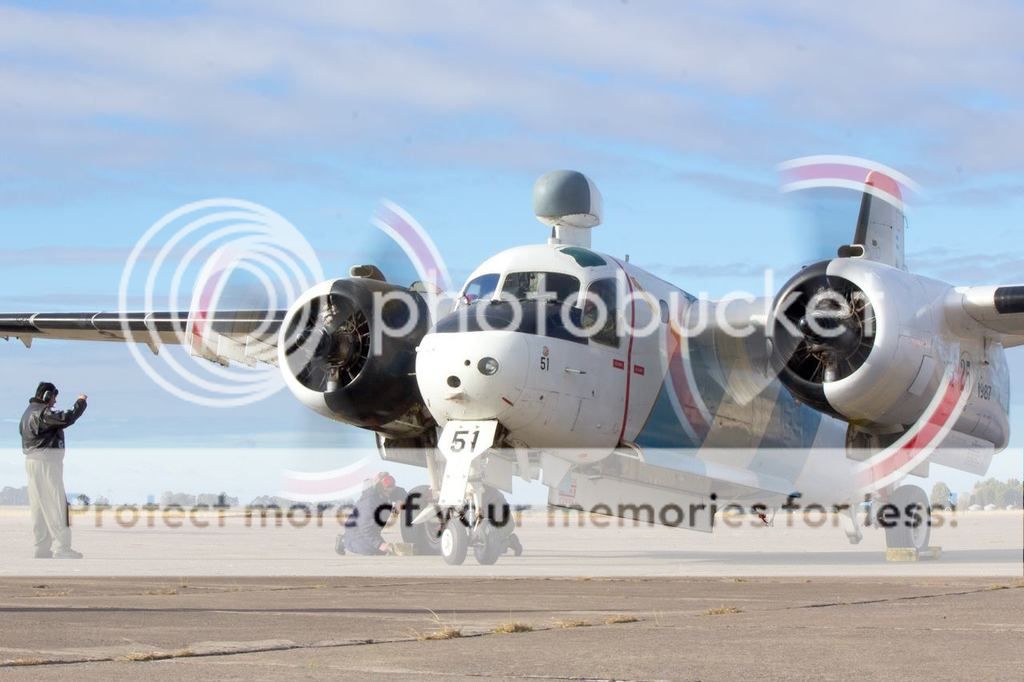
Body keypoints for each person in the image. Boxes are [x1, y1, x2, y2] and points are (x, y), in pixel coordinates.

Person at [19, 382, 88, 559]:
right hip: (47, 463)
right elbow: (67, 417)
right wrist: (80, 402)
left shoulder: (27, 414)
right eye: (54, 397)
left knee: (39, 507)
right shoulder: (42, 413)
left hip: (32, 462)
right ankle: (61, 548)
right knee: (57, 505)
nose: (55, 402)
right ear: (47, 396)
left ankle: (41, 547)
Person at [339, 472, 406, 556]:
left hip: (373, 530)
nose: (391, 491)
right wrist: (379, 544)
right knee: (370, 551)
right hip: (357, 532)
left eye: (392, 486)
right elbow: (365, 527)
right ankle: (344, 541)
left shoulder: (387, 492)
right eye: (388, 487)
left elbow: (400, 491)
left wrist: (400, 500)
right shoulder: (369, 501)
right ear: (380, 486)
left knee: (382, 551)